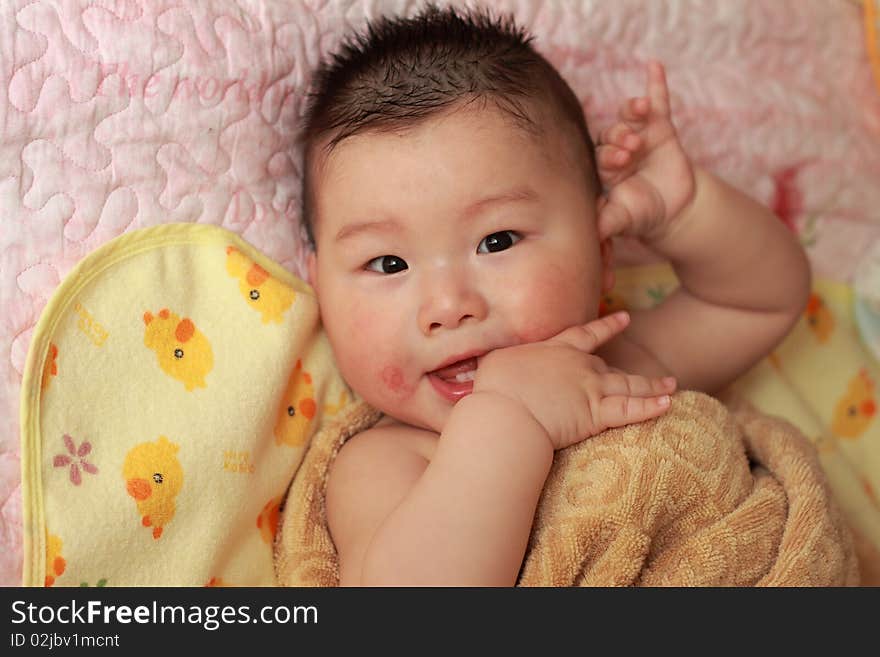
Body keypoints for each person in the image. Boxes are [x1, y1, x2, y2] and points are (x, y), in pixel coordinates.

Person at [297, 5, 811, 585]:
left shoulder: (616, 370)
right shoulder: (383, 464)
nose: (449, 306)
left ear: (603, 250)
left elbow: (760, 300)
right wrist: (508, 417)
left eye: (497, 240)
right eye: (388, 263)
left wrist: (688, 213)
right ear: (320, 288)